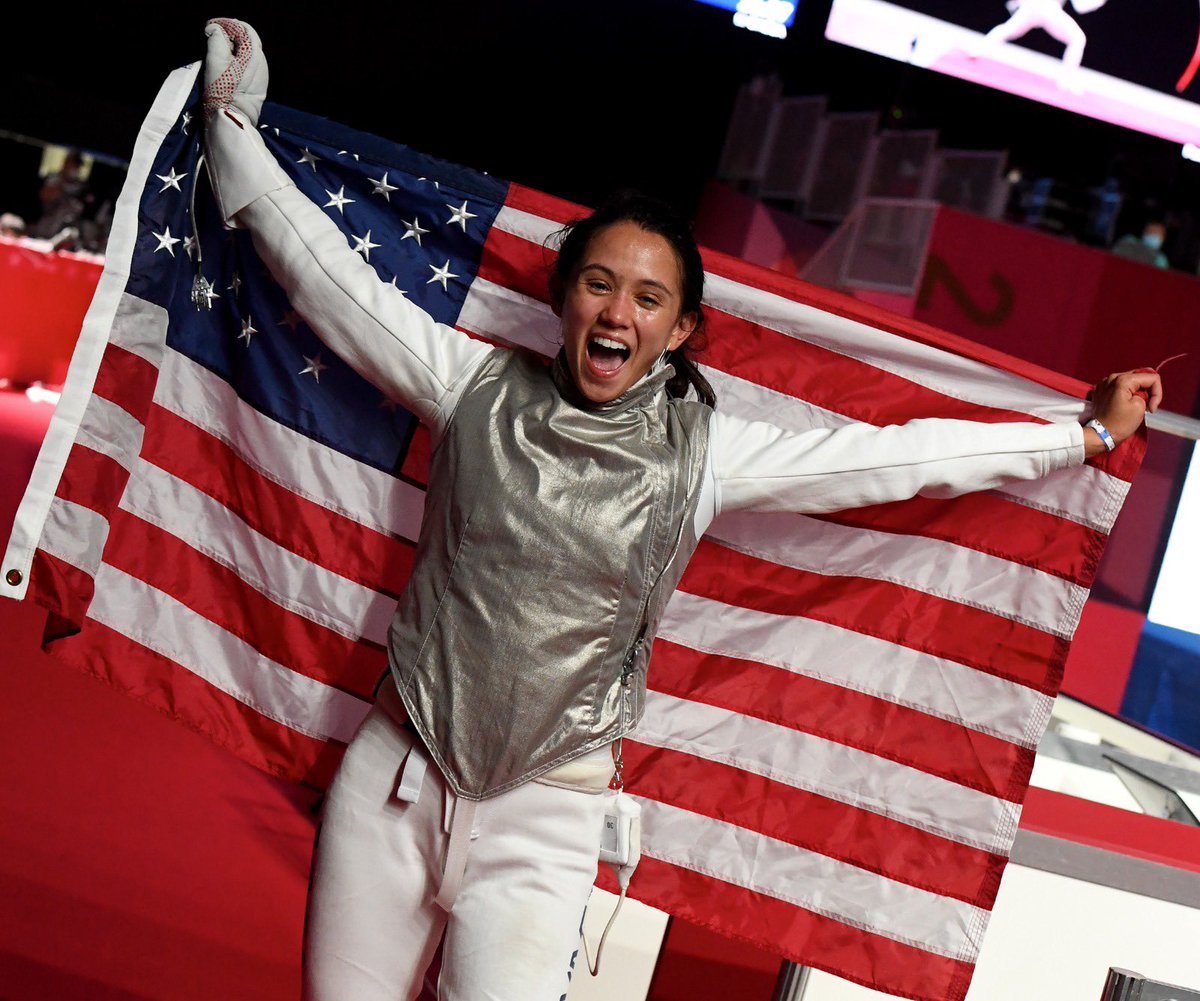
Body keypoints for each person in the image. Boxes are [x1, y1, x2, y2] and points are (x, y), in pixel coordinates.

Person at [201, 19, 1162, 1001]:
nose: (620, 311)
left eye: (649, 298)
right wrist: (232, 129)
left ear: (681, 328)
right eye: (601, 284)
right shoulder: (470, 383)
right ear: (567, 298)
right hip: (392, 781)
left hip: (547, 819)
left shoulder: (704, 457)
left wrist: (1075, 437)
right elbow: (333, 284)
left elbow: (890, 459)